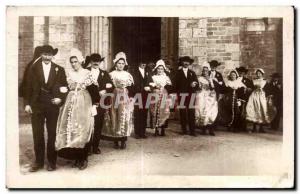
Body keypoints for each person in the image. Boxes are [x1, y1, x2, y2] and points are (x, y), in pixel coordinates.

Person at [24, 45, 68, 172]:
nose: (47, 57)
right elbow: (27, 87)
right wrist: (27, 104)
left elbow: (64, 87)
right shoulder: (33, 68)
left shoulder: (59, 70)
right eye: (45, 54)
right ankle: (38, 162)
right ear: (41, 55)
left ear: (52, 56)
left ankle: (52, 162)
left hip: (52, 105)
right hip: (36, 105)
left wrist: (61, 99)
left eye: (49, 55)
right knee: (37, 134)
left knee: (52, 134)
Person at [55, 48, 97, 170]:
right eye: (72, 62)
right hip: (70, 102)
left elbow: (94, 91)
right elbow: (65, 88)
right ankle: (75, 156)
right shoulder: (69, 74)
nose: (74, 64)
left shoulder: (88, 73)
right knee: (72, 128)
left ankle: (83, 158)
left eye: (75, 61)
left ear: (80, 61)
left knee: (83, 128)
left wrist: (94, 105)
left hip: (84, 102)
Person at [101, 52, 134, 149]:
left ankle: (123, 139)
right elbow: (107, 87)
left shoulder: (127, 75)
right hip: (114, 96)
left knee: (124, 115)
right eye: (119, 63)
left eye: (122, 63)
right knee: (114, 116)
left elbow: (131, 87)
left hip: (124, 96)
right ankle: (115, 139)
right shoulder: (111, 74)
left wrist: (130, 97)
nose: (121, 65)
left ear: (125, 64)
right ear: (115, 64)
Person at [86, 53, 114, 154]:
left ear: (100, 62)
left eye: (98, 61)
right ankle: (87, 147)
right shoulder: (86, 72)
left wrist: (105, 91)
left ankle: (95, 147)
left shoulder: (104, 73)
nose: (96, 62)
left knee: (98, 125)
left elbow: (111, 86)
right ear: (91, 61)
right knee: (88, 125)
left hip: (100, 103)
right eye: (94, 60)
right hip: (88, 102)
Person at [173, 56, 199, 136]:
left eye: (187, 62)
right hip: (182, 95)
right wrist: (179, 92)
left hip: (191, 95)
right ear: (182, 62)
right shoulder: (178, 73)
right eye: (184, 61)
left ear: (189, 63)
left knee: (191, 112)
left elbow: (197, 84)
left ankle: (192, 131)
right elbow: (175, 85)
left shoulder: (192, 73)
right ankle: (184, 130)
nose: (186, 63)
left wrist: (194, 84)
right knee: (183, 113)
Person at [246, 68, 277, 133]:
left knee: (262, 109)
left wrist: (269, 95)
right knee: (255, 109)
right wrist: (249, 89)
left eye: (260, 73)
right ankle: (254, 127)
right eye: (257, 73)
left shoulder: (265, 81)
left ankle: (261, 128)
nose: (258, 74)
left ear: (262, 74)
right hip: (254, 96)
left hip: (262, 96)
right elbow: (250, 87)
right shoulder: (253, 81)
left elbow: (268, 89)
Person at [131, 58, 153, 139]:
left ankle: (143, 132)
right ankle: (137, 132)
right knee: (138, 113)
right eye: (142, 63)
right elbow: (134, 84)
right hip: (138, 95)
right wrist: (143, 88)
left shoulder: (148, 72)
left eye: (145, 63)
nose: (144, 64)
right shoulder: (134, 72)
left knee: (144, 113)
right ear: (139, 63)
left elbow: (151, 82)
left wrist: (150, 87)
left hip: (146, 96)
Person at [149, 59, 172, 136]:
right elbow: (150, 85)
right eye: (158, 69)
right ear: (156, 69)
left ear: (164, 69)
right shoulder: (153, 77)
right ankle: (156, 129)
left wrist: (164, 88)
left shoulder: (166, 77)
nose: (160, 70)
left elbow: (170, 86)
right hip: (155, 94)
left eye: (161, 69)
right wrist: (155, 86)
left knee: (164, 111)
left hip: (164, 94)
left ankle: (162, 129)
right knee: (155, 111)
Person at [194, 62, 218, 136]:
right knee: (201, 110)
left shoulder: (211, 78)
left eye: (206, 71)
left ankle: (211, 129)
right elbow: (197, 87)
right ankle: (203, 128)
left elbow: (213, 88)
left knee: (210, 111)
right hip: (201, 95)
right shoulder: (199, 78)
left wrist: (210, 81)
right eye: (203, 71)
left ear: (208, 71)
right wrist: (199, 87)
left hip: (209, 96)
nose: (205, 72)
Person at [236, 66, 254, 131]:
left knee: (244, 112)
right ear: (238, 72)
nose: (241, 73)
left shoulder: (248, 81)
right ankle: (237, 126)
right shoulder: (235, 79)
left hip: (245, 98)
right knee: (237, 111)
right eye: (239, 72)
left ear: (244, 73)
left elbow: (252, 89)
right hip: (237, 97)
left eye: (242, 72)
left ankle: (243, 126)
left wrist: (249, 89)